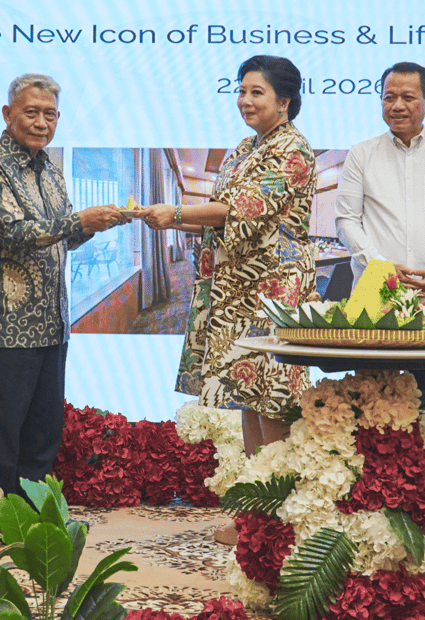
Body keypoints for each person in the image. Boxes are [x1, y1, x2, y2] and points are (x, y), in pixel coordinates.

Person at [138, 54, 316, 545]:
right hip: (236, 290)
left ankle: (279, 522)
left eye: (257, 92)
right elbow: (224, 211)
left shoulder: (294, 149)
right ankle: (257, 516)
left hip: (273, 291)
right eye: (241, 90)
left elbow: (245, 210)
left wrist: (176, 214)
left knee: (273, 399)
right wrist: (177, 217)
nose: (245, 100)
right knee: (249, 399)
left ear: (284, 101)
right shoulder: (243, 149)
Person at [0, 73, 124, 498]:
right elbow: (13, 232)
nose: (41, 122)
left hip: (51, 323)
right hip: (4, 324)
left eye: (49, 114)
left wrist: (97, 223)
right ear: (7, 114)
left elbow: (62, 236)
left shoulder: (50, 169)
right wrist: (78, 220)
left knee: (44, 433)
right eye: (31, 112)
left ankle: (32, 519)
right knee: (2, 435)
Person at [334, 62, 425, 412]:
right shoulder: (361, 154)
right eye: (389, 97)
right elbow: (346, 221)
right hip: (374, 301)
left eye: (408, 97)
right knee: (370, 405)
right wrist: (381, 267)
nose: (397, 105)